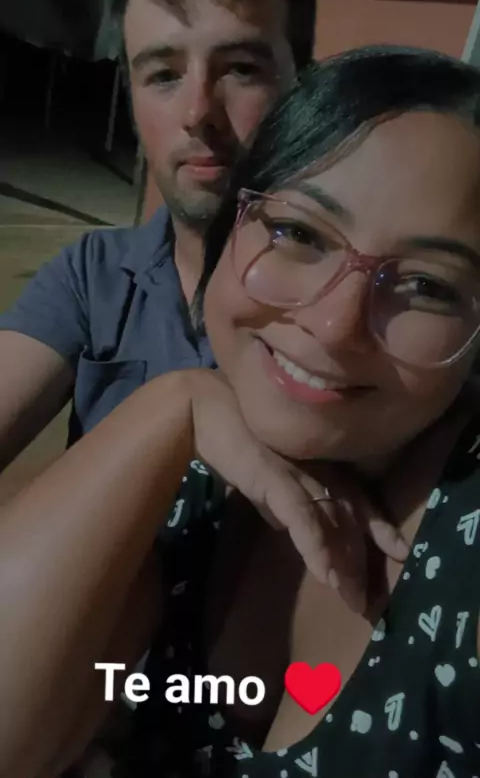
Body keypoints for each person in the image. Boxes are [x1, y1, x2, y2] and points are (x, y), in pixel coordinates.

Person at [2, 45, 480, 778]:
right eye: (300, 233)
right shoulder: (199, 477)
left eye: (427, 285)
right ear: (231, 225)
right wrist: (173, 406)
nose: (333, 326)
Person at [0, 0, 403, 610]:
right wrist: (183, 405)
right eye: (163, 74)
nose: (197, 113)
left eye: (241, 68)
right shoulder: (93, 276)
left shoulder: (357, 310)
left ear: (302, 87)